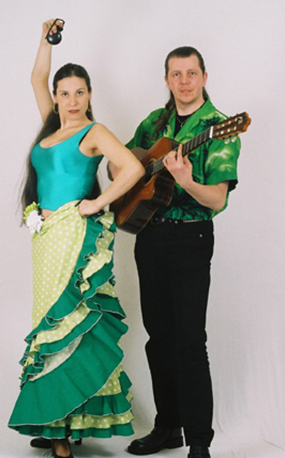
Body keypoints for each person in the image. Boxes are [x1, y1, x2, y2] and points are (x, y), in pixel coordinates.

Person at [7, 20, 144, 458]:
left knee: (67, 322)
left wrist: (97, 202)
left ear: (89, 95)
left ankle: (63, 432)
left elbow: (134, 168)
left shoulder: (93, 131)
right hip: (44, 236)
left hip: (73, 232)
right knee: (49, 323)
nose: (69, 100)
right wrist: (47, 41)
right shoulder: (51, 126)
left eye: (78, 92)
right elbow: (34, 78)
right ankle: (57, 420)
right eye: (63, 92)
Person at [122, 46, 240, 458]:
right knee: (159, 338)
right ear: (167, 80)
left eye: (192, 73)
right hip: (149, 237)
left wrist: (186, 181)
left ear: (204, 77)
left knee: (190, 341)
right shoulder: (154, 123)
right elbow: (124, 163)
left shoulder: (221, 126)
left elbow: (216, 201)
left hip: (191, 239)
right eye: (177, 73)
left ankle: (200, 442)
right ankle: (168, 427)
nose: (184, 81)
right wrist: (134, 175)